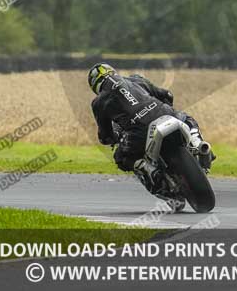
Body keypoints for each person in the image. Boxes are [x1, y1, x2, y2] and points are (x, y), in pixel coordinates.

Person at [87, 63, 214, 206]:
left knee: (120, 157)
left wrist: (115, 138)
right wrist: (162, 107)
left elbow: (105, 136)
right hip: (164, 112)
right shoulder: (135, 79)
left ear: (95, 85)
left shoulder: (98, 102)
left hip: (139, 131)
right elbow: (167, 95)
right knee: (187, 119)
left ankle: (148, 169)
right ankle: (199, 145)